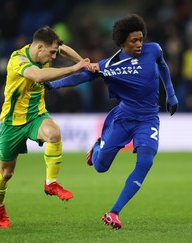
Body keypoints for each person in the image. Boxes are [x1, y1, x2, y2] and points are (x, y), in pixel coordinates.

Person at [46, 14, 178, 229]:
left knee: (146, 161)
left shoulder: (153, 50)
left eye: (141, 39)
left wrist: (170, 94)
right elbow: (82, 77)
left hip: (148, 118)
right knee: (100, 167)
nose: (139, 44)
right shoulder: (108, 65)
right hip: (123, 118)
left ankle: (114, 212)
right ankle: (97, 147)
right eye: (134, 41)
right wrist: (55, 85)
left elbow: (162, 66)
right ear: (122, 42)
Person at [0, 26, 95, 228]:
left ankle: (51, 183)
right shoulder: (18, 60)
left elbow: (62, 48)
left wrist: (82, 61)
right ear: (39, 47)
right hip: (12, 123)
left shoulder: (44, 52)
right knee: (6, 174)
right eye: (50, 53)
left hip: (36, 116)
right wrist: (74, 69)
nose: (54, 57)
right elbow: (38, 76)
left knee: (54, 133)